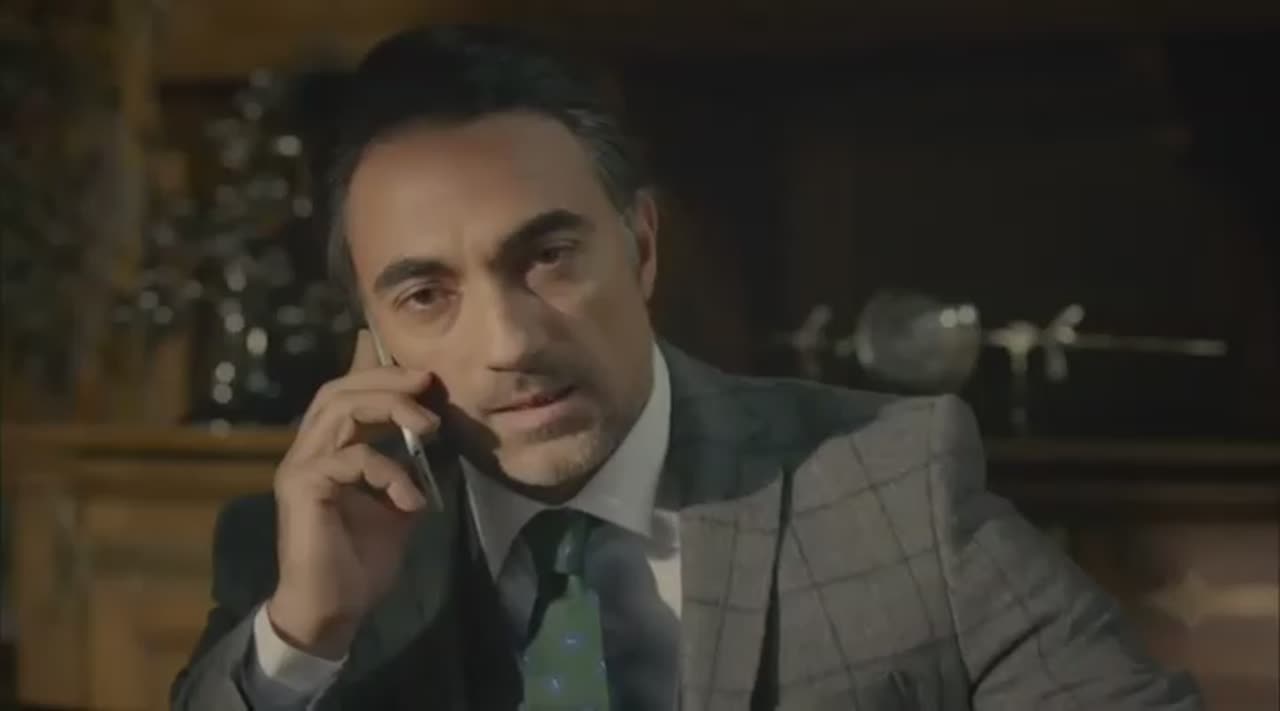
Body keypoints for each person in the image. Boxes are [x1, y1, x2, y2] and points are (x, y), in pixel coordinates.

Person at [171, 25, 1203, 711]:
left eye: (548, 256)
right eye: (425, 295)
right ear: (374, 337)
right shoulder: (294, 557)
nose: (509, 343)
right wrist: (307, 634)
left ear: (642, 247)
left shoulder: (894, 481)